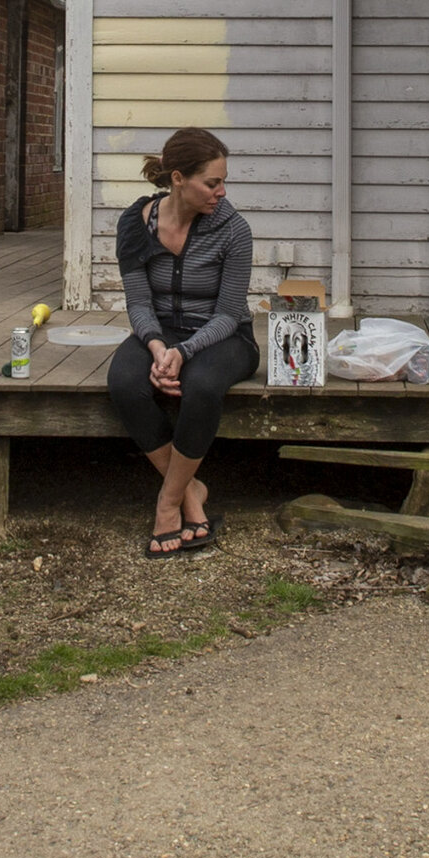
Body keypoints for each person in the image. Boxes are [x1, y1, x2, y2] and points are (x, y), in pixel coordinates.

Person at [109, 126, 255, 557]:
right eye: (212, 183)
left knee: (203, 385)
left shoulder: (234, 230)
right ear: (178, 178)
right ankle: (194, 494)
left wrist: (184, 352)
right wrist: (156, 346)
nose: (222, 192)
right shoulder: (135, 224)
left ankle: (168, 504)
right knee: (124, 382)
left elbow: (229, 312)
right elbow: (137, 302)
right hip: (161, 333)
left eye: (223, 182)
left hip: (224, 336)